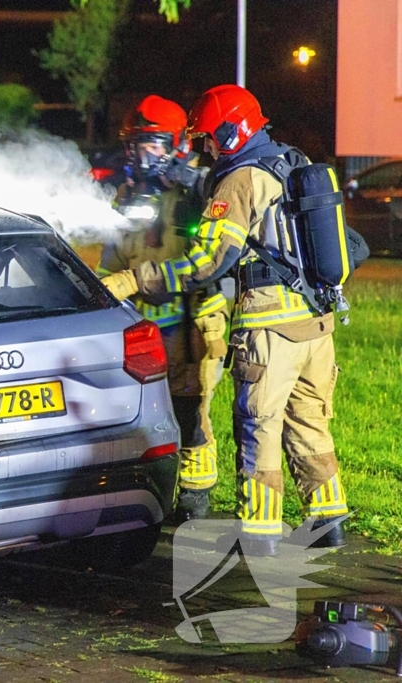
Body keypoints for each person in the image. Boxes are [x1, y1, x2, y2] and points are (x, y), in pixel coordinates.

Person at [100, 85, 349, 556]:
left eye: (211, 138)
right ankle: (329, 520)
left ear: (232, 132)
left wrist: (136, 280)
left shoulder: (239, 180)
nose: (206, 148)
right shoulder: (288, 161)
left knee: (259, 426)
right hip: (316, 322)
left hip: (271, 329)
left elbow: (207, 263)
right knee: (309, 425)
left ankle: (258, 535)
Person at [98, 95, 228, 523]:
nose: (140, 153)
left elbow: (205, 260)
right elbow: (114, 259)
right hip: (142, 326)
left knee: (189, 410)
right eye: (135, 144)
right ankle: (149, 484)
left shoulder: (198, 192)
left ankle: (195, 492)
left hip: (190, 321)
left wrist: (189, 182)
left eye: (151, 143)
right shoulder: (126, 196)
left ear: (175, 144)